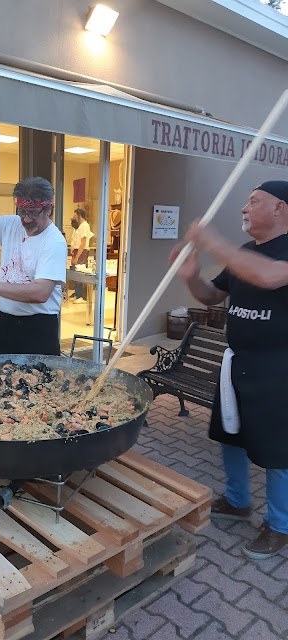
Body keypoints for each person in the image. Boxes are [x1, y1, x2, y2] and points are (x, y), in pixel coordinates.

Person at [170, 180, 288, 560]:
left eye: (253, 201)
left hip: (279, 370)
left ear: (280, 209)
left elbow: (269, 277)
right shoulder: (244, 252)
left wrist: (211, 241)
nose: (244, 208)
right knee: (230, 436)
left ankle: (281, 525)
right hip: (237, 362)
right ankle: (238, 501)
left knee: (277, 450)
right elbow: (212, 297)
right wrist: (190, 274)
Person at [0, 158, 67, 355]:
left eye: (33, 212)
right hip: (3, 322)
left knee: (39, 384)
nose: (26, 219)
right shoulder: (11, 225)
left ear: (49, 208)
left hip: (37, 328)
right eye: (22, 211)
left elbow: (40, 293)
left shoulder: (54, 242)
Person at [69, 208, 93, 303]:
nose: (74, 217)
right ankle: (77, 293)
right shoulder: (79, 226)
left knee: (80, 272)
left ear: (79, 215)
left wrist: (77, 256)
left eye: (75, 215)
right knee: (75, 272)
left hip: (81, 252)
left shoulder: (85, 226)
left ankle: (80, 296)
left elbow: (82, 243)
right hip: (76, 251)